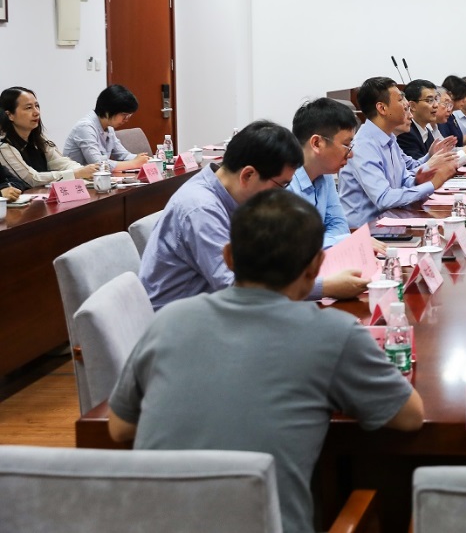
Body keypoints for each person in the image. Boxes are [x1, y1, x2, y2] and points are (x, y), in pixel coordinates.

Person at [109, 189, 424, 533]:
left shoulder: (169, 320)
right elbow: (409, 417)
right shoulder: (333, 333)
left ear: (228, 257)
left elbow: (120, 426)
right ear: (316, 266)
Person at [138, 120, 365, 310]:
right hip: (183, 327)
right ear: (248, 175)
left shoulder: (230, 194)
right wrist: (325, 287)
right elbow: (237, 288)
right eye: (281, 185)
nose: (282, 195)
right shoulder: (201, 209)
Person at [338, 77, 459, 228]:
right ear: (382, 108)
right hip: (365, 230)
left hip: (391, 221)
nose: (407, 104)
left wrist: (418, 180)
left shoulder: (389, 138)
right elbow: (384, 198)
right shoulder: (364, 146)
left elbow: (403, 180)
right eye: (401, 99)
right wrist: (431, 184)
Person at [289, 97, 360, 249]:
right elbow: (293, 245)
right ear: (316, 143)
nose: (351, 154)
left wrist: (320, 244)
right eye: (346, 145)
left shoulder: (324, 173)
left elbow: (339, 226)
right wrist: (343, 241)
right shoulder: (284, 183)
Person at [0, 86, 99, 188]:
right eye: (28, 108)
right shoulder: (4, 146)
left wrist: (86, 171)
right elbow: (31, 180)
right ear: (10, 115)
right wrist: (76, 173)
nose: (36, 112)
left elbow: (61, 163)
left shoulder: (38, 139)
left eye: (37, 106)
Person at [62, 84, 151, 173]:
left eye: (129, 116)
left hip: (96, 178)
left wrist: (145, 159)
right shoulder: (85, 127)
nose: (126, 119)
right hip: (77, 179)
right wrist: (133, 163)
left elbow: (123, 155)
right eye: (124, 115)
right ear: (108, 111)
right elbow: (98, 164)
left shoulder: (109, 128)